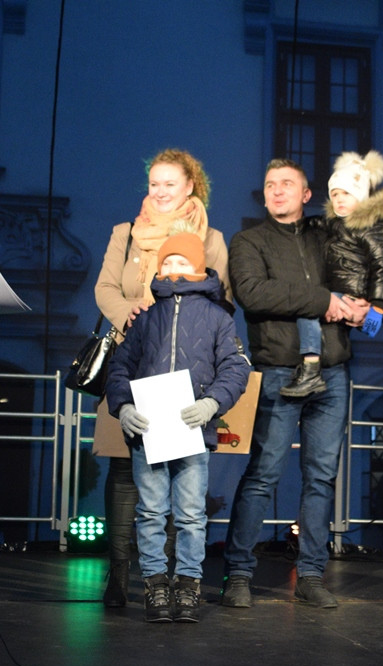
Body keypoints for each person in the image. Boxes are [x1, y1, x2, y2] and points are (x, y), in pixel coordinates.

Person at [221, 159, 369, 609]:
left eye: (288, 184)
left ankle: (310, 574)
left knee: (321, 480)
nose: (277, 191)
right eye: (270, 185)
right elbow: (254, 293)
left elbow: (358, 276)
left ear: (307, 195)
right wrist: (326, 300)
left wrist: (364, 306)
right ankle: (239, 574)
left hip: (333, 370)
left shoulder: (329, 236)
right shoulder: (248, 241)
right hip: (279, 372)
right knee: (263, 475)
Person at [93, 149, 233, 608]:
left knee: (182, 486)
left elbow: (221, 299)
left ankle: (173, 582)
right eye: (154, 183)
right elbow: (105, 288)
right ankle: (119, 576)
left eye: (170, 183)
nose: (160, 191)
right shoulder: (125, 233)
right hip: (135, 359)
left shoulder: (210, 238)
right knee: (123, 469)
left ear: (190, 185)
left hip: (188, 374)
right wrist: (131, 316)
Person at [105, 232, 250, 623]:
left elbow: (238, 367)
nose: (172, 269)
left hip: (191, 432)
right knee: (150, 512)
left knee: (190, 515)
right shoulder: (146, 317)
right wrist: (123, 407)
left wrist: (211, 403)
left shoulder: (218, 318)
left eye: (181, 262)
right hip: (148, 432)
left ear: (199, 267)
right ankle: (155, 586)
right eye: (167, 262)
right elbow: (119, 367)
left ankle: (188, 587)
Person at [281, 150, 383, 398]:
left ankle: (311, 369)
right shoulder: (335, 222)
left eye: (346, 193)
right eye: (335, 194)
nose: (339, 199)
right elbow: (315, 223)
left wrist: (377, 310)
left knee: (309, 308)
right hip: (338, 289)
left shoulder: (374, 228)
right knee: (316, 313)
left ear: (361, 196)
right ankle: (313, 367)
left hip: (353, 292)